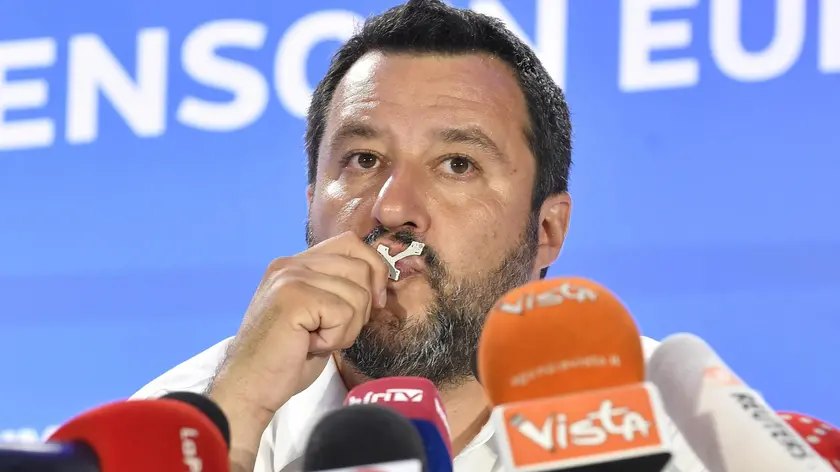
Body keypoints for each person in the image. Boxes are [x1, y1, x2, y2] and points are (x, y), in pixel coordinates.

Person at [132, 1, 707, 471]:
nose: (393, 207)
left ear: (547, 230)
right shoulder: (186, 423)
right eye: (362, 159)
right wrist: (236, 419)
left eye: (457, 164)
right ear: (311, 202)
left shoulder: (676, 430)